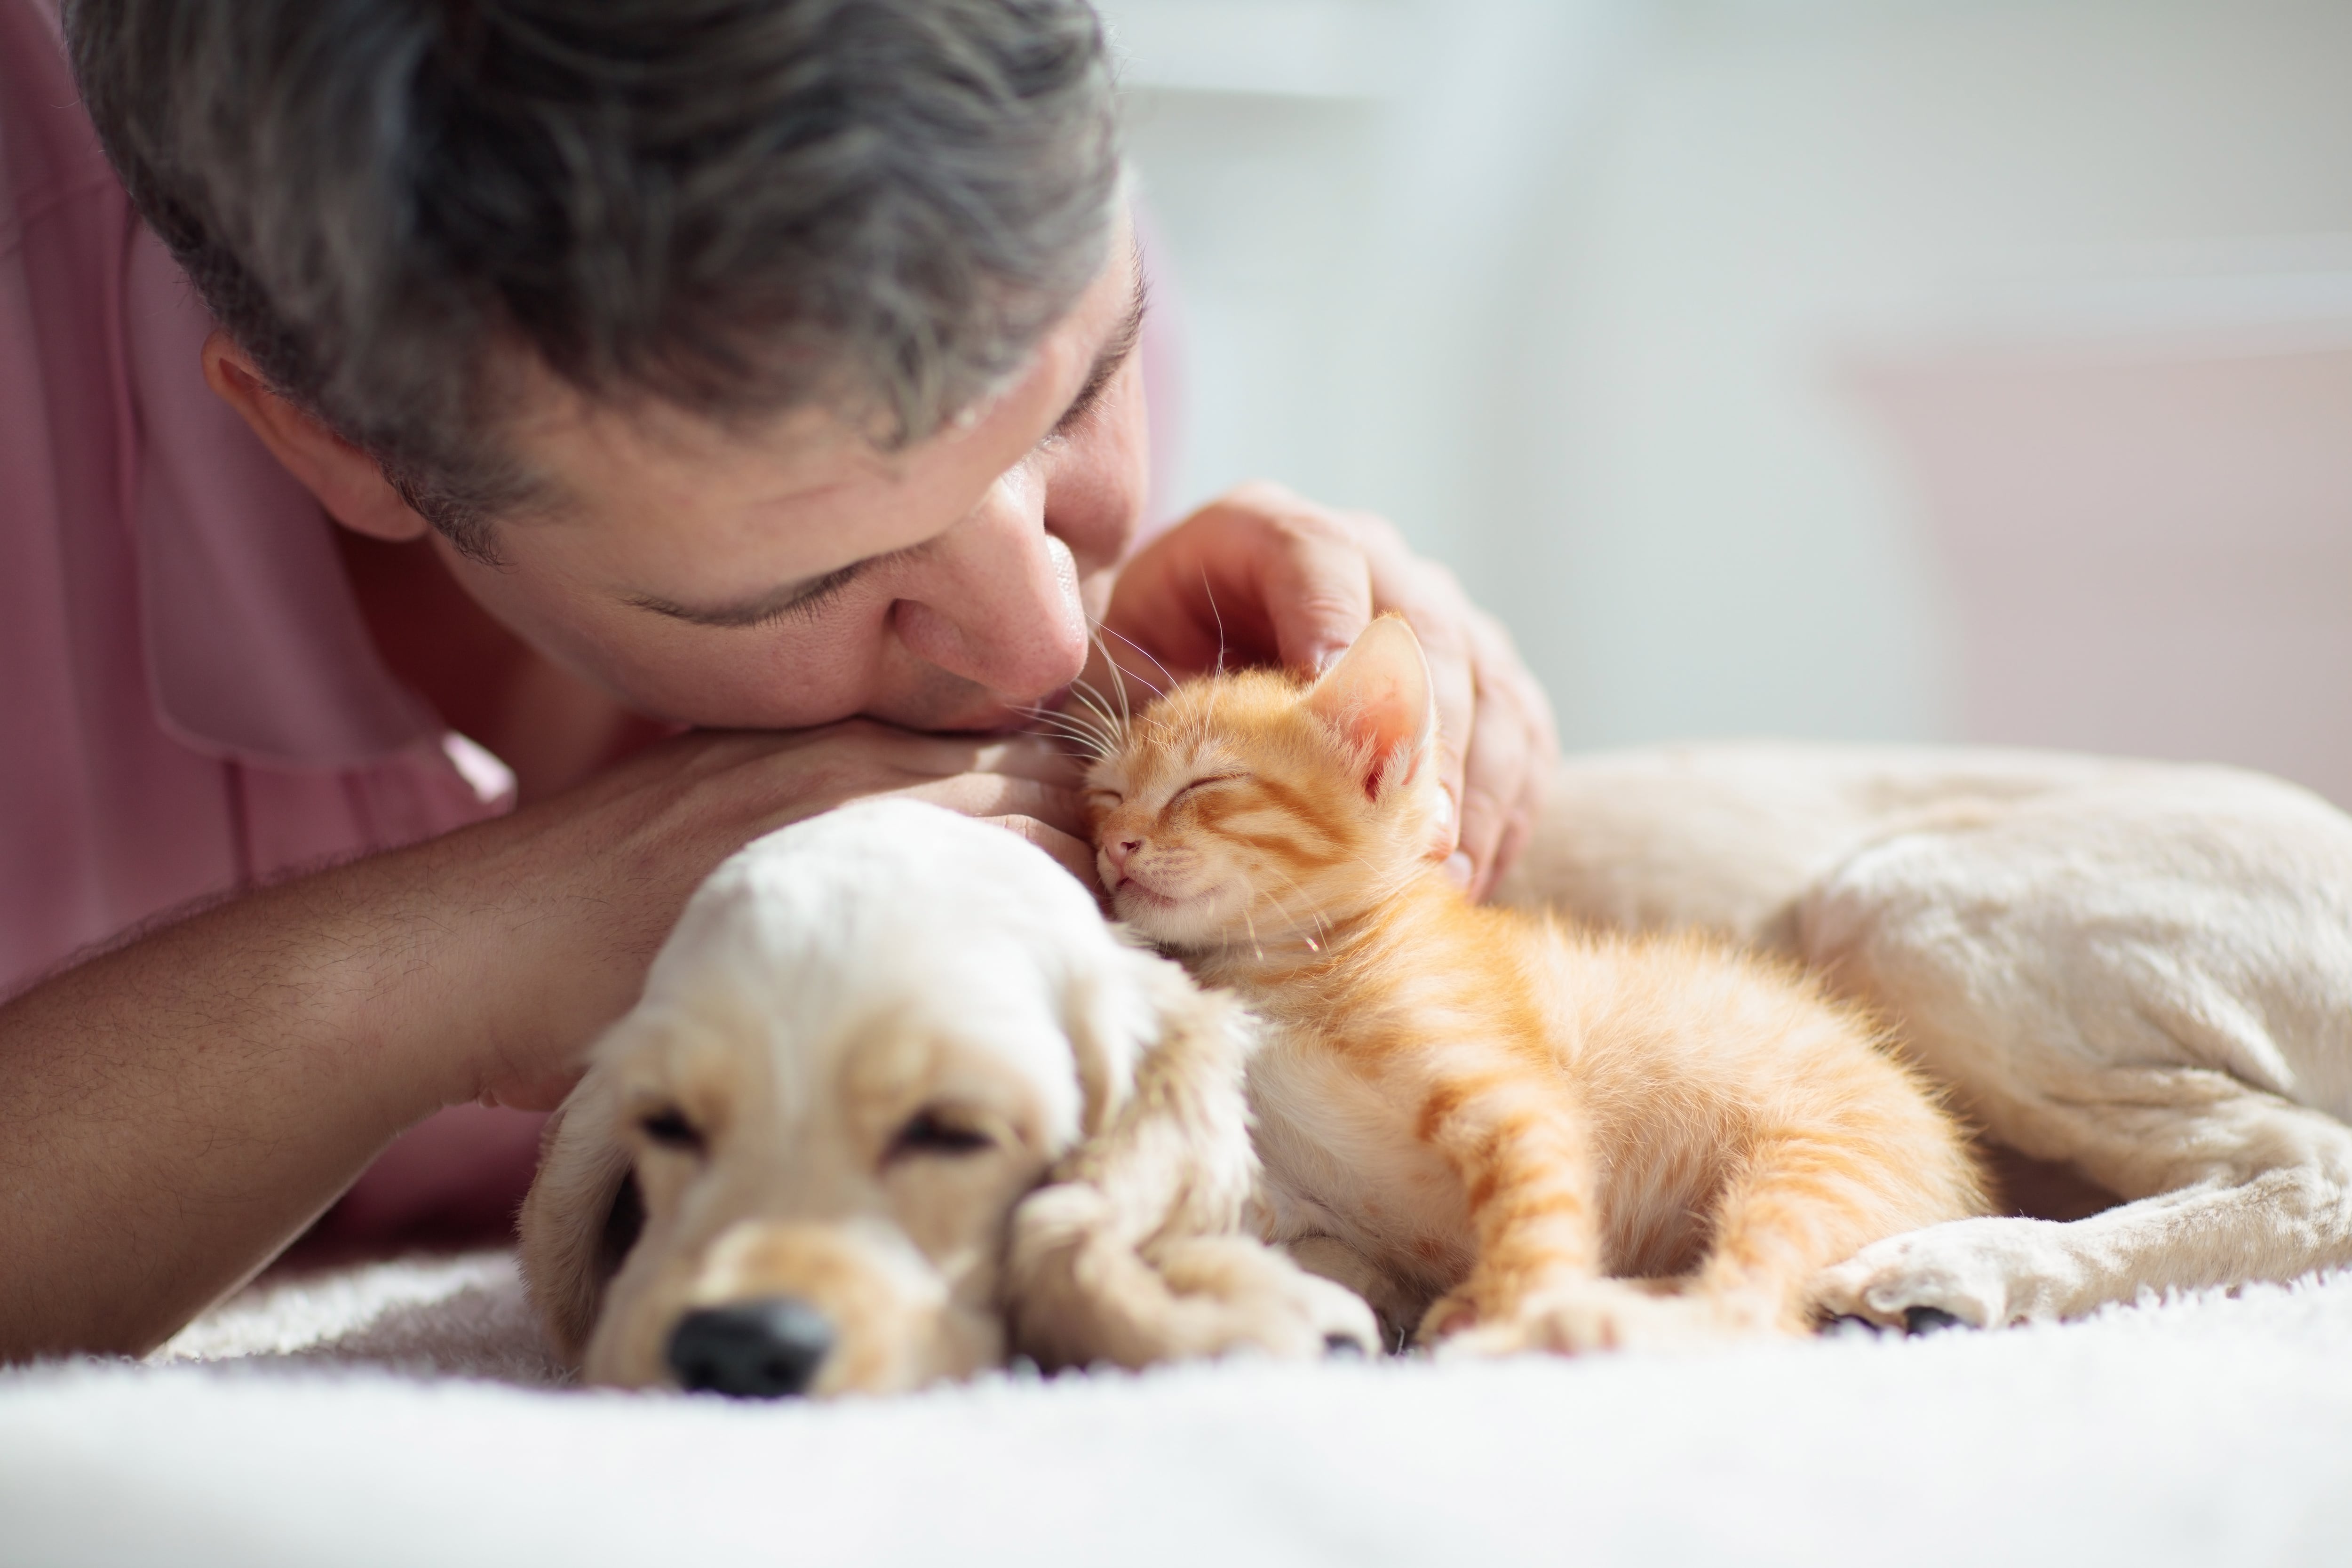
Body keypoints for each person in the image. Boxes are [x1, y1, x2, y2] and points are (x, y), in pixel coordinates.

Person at [0, 0, 1555, 1361]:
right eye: (815, 582)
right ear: (338, 445)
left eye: (1079, 396)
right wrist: (464, 953)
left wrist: (1247, 774)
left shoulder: (973, 204)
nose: (1042, 644)